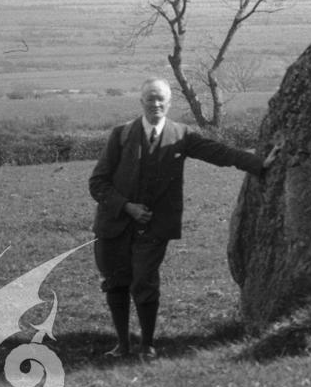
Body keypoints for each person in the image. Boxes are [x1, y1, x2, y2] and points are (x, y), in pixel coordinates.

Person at [88, 78, 275, 361]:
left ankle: (147, 344)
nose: (156, 104)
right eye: (150, 98)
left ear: (169, 102)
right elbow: (98, 183)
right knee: (116, 283)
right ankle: (122, 344)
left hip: (154, 226)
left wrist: (258, 164)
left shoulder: (181, 134)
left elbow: (218, 153)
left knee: (145, 281)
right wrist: (126, 207)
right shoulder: (121, 135)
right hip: (114, 225)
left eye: (161, 99)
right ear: (141, 102)